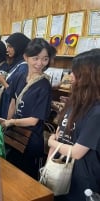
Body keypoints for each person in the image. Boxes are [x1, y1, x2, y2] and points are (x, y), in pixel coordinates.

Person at [0, 38, 56, 179]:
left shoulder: (44, 86)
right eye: (35, 58)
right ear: (26, 57)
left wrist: (11, 122)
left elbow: (33, 121)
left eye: (45, 59)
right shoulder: (20, 76)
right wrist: (7, 121)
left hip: (30, 141)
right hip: (14, 135)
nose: (39, 63)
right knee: (8, 173)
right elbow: (13, 100)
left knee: (24, 180)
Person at [47, 49, 100, 201]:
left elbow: (77, 152)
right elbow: (60, 133)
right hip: (61, 173)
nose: (70, 76)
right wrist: (49, 164)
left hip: (82, 184)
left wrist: (51, 142)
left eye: (74, 72)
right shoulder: (75, 103)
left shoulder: (96, 112)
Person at [0, 32, 30, 119]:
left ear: (19, 47)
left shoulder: (24, 67)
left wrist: (2, 81)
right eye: (7, 46)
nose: (7, 49)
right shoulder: (16, 64)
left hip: (10, 109)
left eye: (10, 46)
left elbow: (18, 94)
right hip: (5, 105)